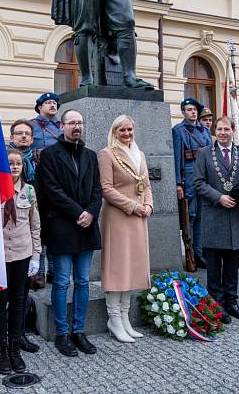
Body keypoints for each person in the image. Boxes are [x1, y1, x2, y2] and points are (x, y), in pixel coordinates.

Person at [37, 109, 102, 357]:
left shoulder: (90, 155)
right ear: (62, 126)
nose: (77, 126)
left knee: (83, 281)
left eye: (80, 123)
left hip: (87, 226)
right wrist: (79, 212)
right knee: (63, 281)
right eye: (72, 122)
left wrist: (92, 212)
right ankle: (62, 333)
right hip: (63, 225)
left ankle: (79, 331)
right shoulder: (50, 155)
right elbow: (51, 190)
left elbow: (98, 188)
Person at [193, 116, 239, 322]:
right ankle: (216, 305)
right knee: (213, 265)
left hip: (236, 216)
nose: (222, 132)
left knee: (232, 265)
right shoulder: (204, 154)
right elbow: (198, 183)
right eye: (219, 129)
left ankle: (232, 302)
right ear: (214, 131)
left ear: (232, 130)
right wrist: (218, 197)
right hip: (214, 215)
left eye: (226, 129)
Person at [98, 115, 153, 342]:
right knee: (117, 268)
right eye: (122, 130)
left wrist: (148, 205)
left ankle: (124, 318)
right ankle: (113, 319)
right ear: (114, 131)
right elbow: (107, 189)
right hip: (119, 216)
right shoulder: (107, 154)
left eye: (130, 129)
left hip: (139, 216)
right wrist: (133, 206)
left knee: (132, 266)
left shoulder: (139, 153)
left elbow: (146, 184)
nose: (127, 133)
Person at [0, 148, 41, 373]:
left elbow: (35, 226)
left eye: (18, 163)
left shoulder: (29, 192)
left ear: (23, 167)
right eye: (10, 163)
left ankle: (14, 346)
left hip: (22, 253)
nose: (14, 167)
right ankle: (0, 347)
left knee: (19, 300)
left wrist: (36, 256)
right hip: (0, 256)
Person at [172, 98, 212, 268]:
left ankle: (200, 252)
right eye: (189, 109)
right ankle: (191, 254)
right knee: (191, 215)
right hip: (189, 175)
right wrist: (178, 183)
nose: (193, 112)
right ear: (183, 112)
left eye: (195, 109)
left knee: (203, 215)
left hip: (206, 176)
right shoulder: (178, 130)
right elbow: (177, 157)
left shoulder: (205, 130)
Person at [29, 94, 63, 288]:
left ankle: (53, 270)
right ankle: (39, 271)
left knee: (54, 225)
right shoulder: (31, 125)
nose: (52, 105)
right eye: (48, 103)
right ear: (39, 107)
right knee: (38, 226)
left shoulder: (62, 126)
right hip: (38, 180)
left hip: (57, 179)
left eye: (54, 103)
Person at [8, 119, 36, 184]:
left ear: (32, 139)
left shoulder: (37, 159)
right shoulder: (3, 158)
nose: (24, 136)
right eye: (19, 133)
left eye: (27, 133)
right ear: (11, 138)